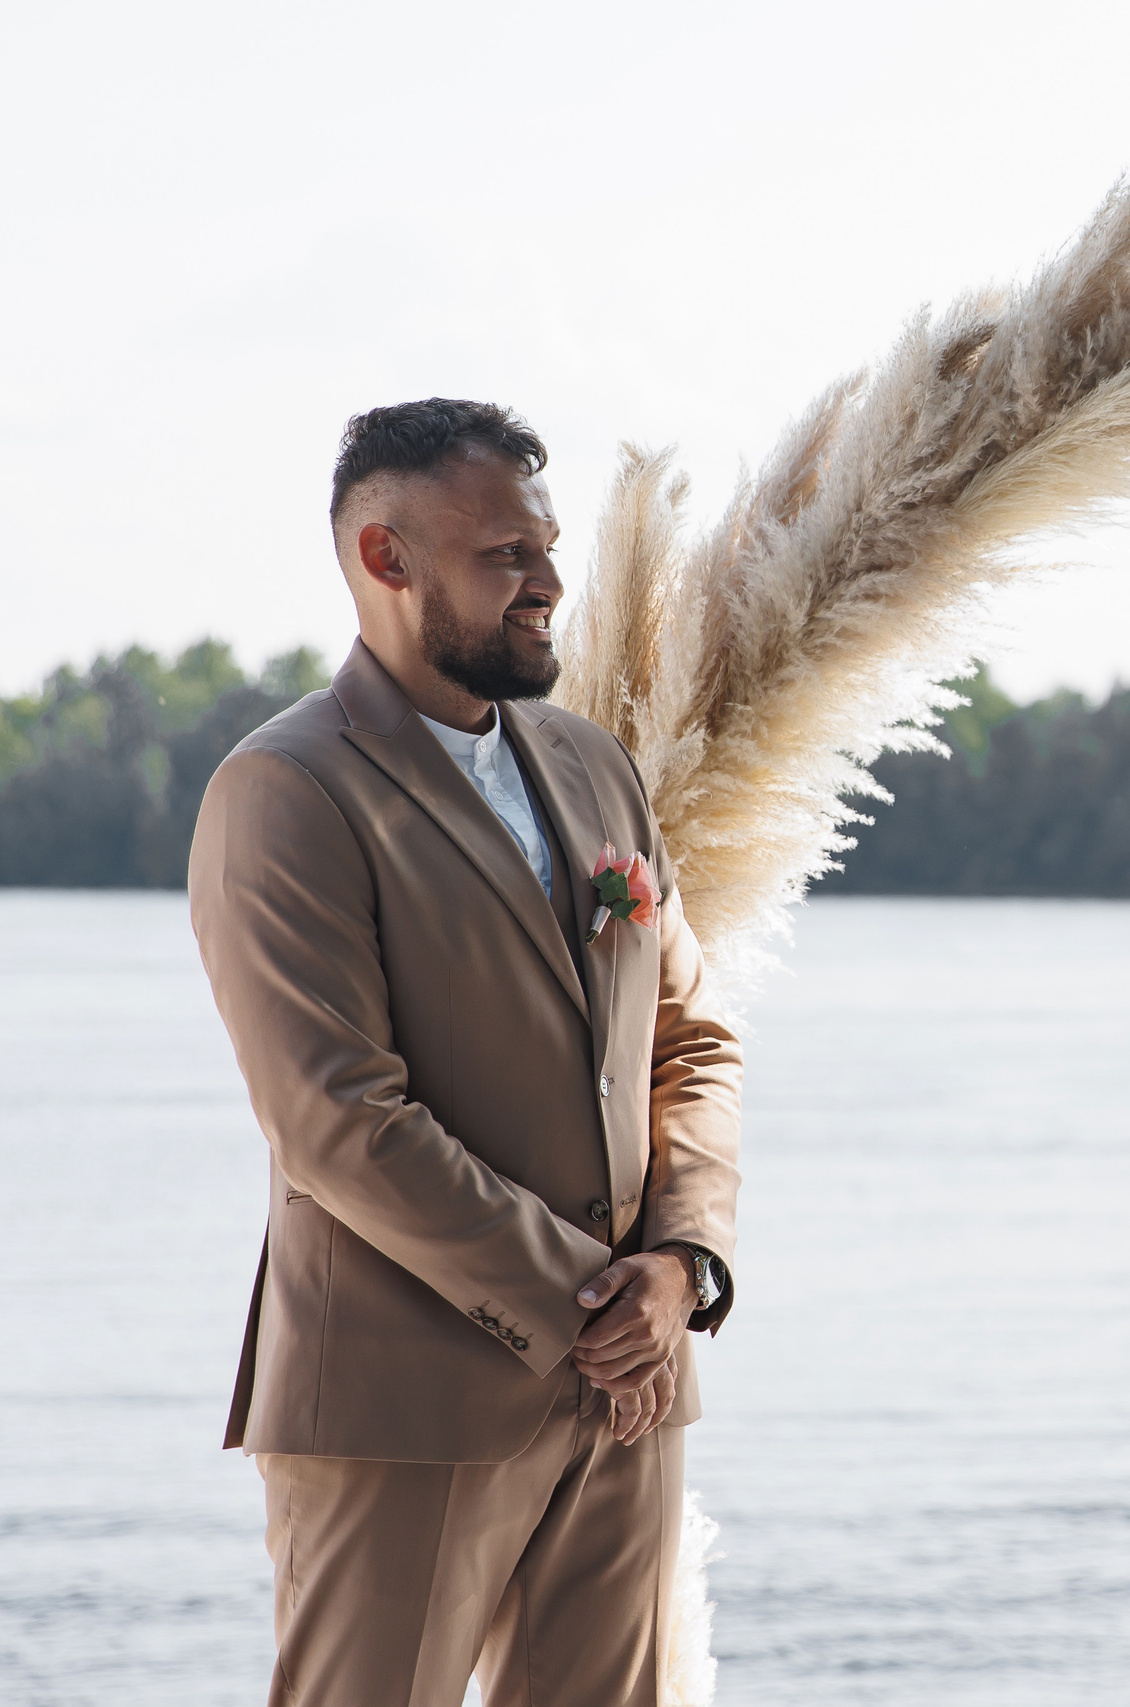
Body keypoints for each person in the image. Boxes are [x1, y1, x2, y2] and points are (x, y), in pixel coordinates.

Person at [188, 398, 744, 1706]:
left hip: (630, 1390)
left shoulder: (595, 764)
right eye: (507, 554)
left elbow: (690, 1040)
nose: (550, 582)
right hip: (404, 1405)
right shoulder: (287, 792)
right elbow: (339, 1120)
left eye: (548, 548)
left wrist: (681, 1264)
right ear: (386, 558)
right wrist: (593, 1307)